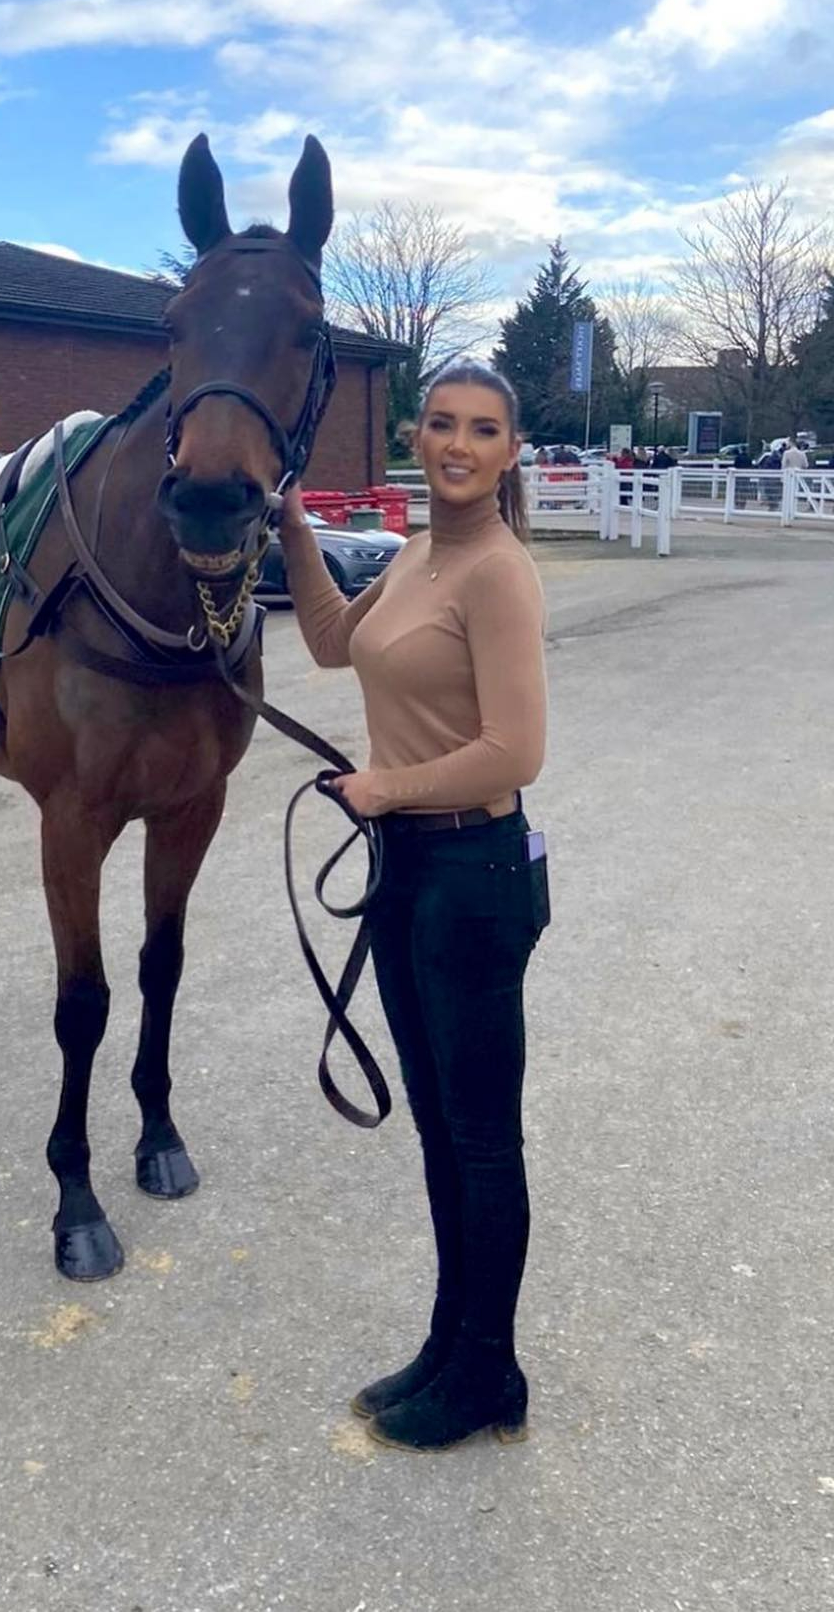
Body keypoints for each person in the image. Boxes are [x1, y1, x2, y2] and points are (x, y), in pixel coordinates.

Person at [278, 359, 549, 1453]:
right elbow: (331, 640)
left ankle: (491, 1368)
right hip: (409, 872)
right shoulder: (423, 552)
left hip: (472, 874)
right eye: (441, 423)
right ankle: (454, 1344)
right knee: (441, 1131)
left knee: (481, 1139)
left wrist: (384, 786)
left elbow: (516, 749)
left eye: (483, 429)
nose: (458, 444)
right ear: (416, 433)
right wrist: (290, 517)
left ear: (510, 451)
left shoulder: (498, 572)